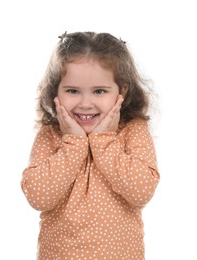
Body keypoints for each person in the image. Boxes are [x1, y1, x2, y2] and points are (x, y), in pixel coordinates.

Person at [21, 31, 160, 260]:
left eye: (99, 91)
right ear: (56, 91)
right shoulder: (51, 134)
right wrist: (73, 144)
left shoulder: (132, 130)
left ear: (121, 92)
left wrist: (104, 140)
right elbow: (38, 196)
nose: (85, 104)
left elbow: (142, 190)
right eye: (73, 91)